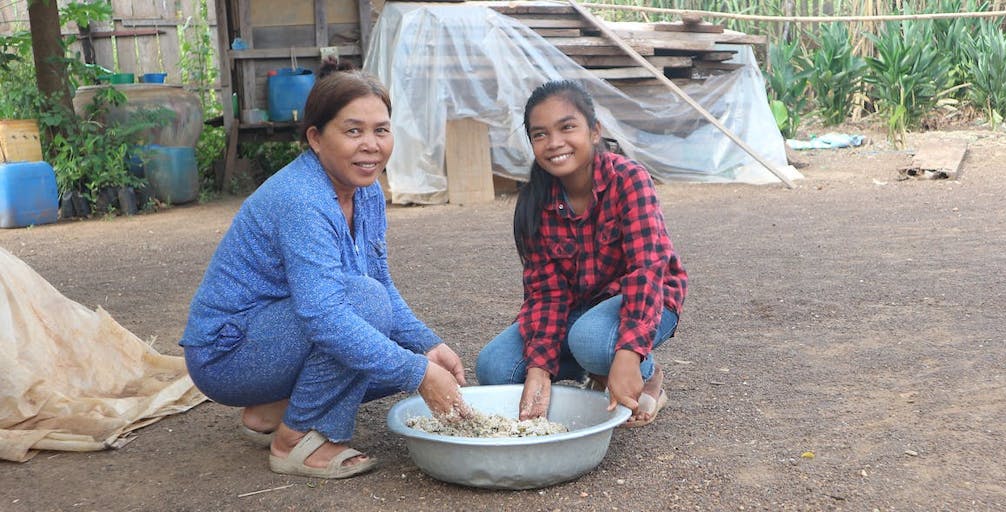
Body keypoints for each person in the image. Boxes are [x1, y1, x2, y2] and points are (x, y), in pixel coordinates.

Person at [179, 60, 469, 480]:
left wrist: (426, 347)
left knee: (384, 335)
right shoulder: (303, 198)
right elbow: (326, 316)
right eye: (353, 131)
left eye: (381, 130)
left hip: (273, 335)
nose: (371, 145)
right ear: (316, 138)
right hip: (228, 354)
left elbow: (380, 280)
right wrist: (418, 373)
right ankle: (294, 441)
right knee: (365, 312)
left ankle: (270, 412)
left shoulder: (363, 191)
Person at [475, 80, 687, 427]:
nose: (555, 143)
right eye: (540, 134)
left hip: (648, 301)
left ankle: (645, 374)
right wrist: (540, 369)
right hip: (580, 312)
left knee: (590, 339)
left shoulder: (629, 179)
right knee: (495, 367)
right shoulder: (537, 202)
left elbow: (646, 271)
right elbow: (547, 294)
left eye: (567, 127)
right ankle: (597, 366)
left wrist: (629, 354)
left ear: (594, 131)